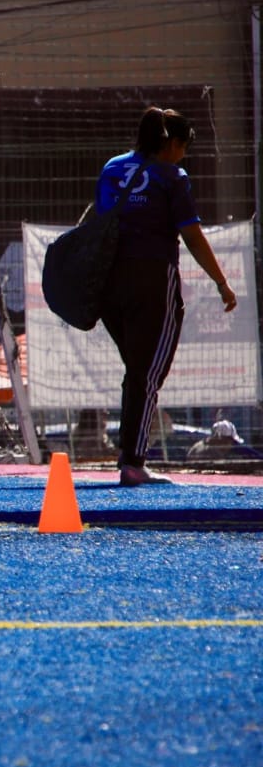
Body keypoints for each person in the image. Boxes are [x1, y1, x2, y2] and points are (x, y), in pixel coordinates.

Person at [96, 107, 237, 486]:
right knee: (147, 372)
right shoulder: (172, 176)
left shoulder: (112, 167)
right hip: (152, 281)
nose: (184, 154)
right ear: (172, 143)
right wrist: (221, 282)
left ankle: (130, 455)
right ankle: (133, 463)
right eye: (184, 147)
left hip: (109, 283)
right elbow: (190, 234)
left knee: (137, 371)